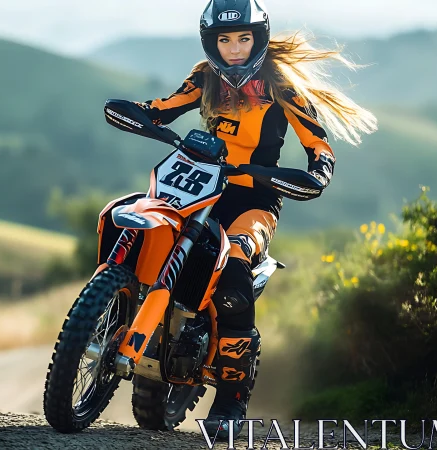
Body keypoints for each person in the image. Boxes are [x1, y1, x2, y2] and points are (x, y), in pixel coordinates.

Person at [134, 0, 378, 440]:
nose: (234, 48)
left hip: (256, 198)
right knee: (151, 233)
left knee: (232, 265)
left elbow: (319, 146)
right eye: (224, 39)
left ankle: (232, 400)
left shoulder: (281, 85)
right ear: (211, 42)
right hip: (200, 186)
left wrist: (319, 171)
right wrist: (140, 113)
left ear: (258, 38)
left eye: (243, 38)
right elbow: (163, 107)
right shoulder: (204, 77)